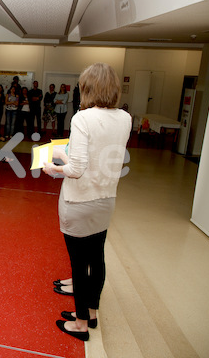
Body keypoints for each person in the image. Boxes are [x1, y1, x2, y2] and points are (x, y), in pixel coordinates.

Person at [43, 63, 131, 341]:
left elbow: (77, 169)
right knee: (97, 258)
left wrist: (54, 166)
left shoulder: (83, 118)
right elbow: (97, 159)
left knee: (79, 265)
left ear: (88, 88)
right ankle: (91, 312)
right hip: (106, 199)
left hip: (79, 201)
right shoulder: (125, 118)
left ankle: (80, 323)